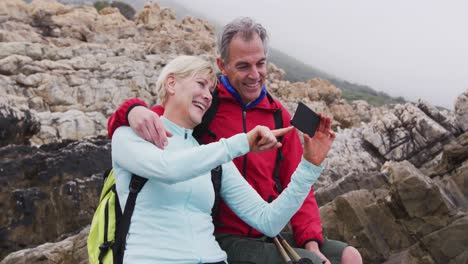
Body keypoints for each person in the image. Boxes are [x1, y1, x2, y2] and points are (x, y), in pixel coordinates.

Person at [108, 18, 362, 264]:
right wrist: (130, 110)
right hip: (224, 237)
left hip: (257, 233)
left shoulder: (278, 116)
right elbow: (164, 136)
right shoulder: (205, 111)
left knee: (348, 256)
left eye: (260, 64)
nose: (255, 74)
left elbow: (279, 204)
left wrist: (310, 235)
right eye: (243, 66)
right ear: (223, 65)